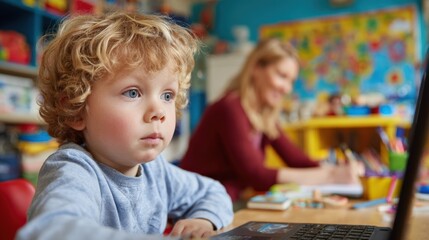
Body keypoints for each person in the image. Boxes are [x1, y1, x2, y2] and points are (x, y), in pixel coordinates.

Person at [16, 12, 233, 240]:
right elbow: (50, 233)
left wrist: (202, 220)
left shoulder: (155, 170)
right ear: (76, 109)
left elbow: (213, 192)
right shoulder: (74, 170)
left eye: (167, 95)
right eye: (132, 92)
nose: (158, 112)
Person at [180, 38, 359, 204]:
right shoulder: (229, 108)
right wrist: (332, 175)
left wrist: (333, 168)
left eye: (291, 81)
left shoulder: (264, 114)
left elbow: (296, 159)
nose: (286, 88)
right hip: (196, 202)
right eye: (282, 75)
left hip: (224, 199)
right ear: (256, 68)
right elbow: (257, 175)